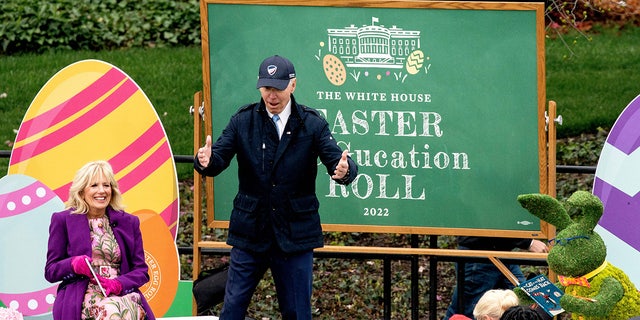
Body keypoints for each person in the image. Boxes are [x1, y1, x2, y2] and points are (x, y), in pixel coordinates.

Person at [194, 55, 357, 319]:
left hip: (295, 236)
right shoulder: (243, 120)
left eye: (278, 88)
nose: (272, 95)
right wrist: (206, 160)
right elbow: (217, 158)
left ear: (293, 85)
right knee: (232, 310)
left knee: (296, 313)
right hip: (250, 233)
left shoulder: (313, 124)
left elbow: (336, 160)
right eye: (266, 88)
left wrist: (344, 171)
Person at [44, 160, 155, 320]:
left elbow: (141, 271)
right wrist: (73, 264)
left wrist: (118, 284)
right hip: (82, 295)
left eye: (106, 185)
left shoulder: (129, 222)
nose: (102, 191)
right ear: (81, 191)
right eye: (94, 185)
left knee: (124, 310)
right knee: (112, 312)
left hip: (121, 293)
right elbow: (51, 271)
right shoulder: (63, 220)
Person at [443, 236, 548, 320]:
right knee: (469, 310)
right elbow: (489, 219)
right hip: (481, 252)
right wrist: (528, 242)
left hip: (502, 252)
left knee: (525, 302)